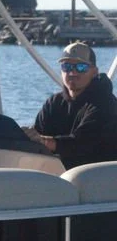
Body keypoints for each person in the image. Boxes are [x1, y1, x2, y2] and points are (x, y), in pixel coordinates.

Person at [24, 41, 117, 169]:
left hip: (97, 177)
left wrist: (45, 142)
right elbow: (38, 134)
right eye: (66, 67)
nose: (73, 73)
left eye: (81, 67)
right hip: (60, 177)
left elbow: (84, 143)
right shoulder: (54, 103)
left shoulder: (106, 103)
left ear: (94, 72)